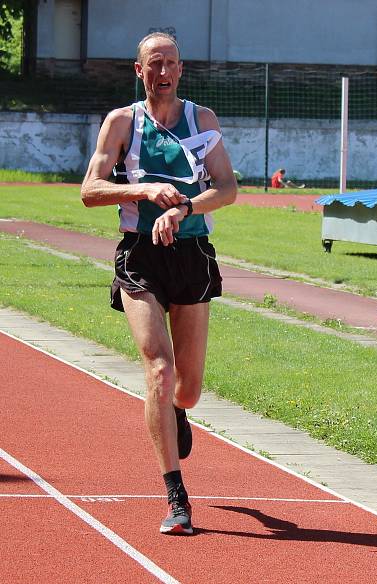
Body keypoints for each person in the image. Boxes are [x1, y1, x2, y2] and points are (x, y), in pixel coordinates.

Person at [80, 32, 237, 533]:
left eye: (170, 62)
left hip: (191, 254)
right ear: (139, 70)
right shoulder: (122, 122)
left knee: (186, 389)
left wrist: (187, 206)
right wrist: (144, 190)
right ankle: (176, 496)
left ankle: (178, 412)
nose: (162, 71)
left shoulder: (202, 121)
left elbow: (227, 189)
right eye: (154, 63)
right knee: (159, 370)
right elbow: (90, 189)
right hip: (140, 256)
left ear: (181, 69)